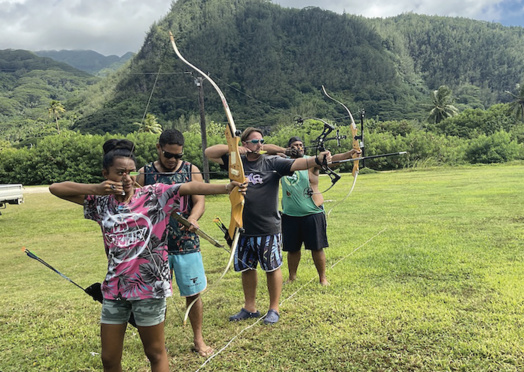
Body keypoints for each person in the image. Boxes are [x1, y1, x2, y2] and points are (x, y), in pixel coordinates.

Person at [49, 139, 246, 372]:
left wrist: (227, 187)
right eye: (119, 172)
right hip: (114, 288)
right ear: (105, 173)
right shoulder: (100, 202)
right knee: (109, 358)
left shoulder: (153, 195)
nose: (126, 177)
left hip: (149, 287)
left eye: (130, 172)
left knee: (155, 352)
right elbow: (56, 188)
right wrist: (97, 188)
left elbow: (188, 187)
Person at [205, 128, 332, 325]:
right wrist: (238, 150)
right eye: (254, 141)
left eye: (261, 141)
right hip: (242, 226)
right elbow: (209, 153)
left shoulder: (273, 163)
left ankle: (274, 308)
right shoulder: (235, 164)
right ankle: (250, 307)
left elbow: (301, 163)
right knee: (247, 268)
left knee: (272, 268)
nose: (259, 145)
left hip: (268, 226)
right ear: (245, 143)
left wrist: (318, 159)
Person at [135, 129, 213, 357]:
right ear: (159, 148)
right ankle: (158, 343)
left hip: (186, 241)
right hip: (154, 246)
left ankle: (198, 340)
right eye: (169, 155)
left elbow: (200, 201)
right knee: (156, 295)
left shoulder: (191, 170)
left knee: (194, 292)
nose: (173, 161)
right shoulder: (145, 173)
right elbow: (135, 205)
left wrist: (193, 218)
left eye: (178, 156)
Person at [267, 137, 359, 286]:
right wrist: (283, 152)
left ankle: (322, 278)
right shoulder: (282, 163)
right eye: (295, 145)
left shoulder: (310, 162)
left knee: (317, 248)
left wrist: (350, 153)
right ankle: (292, 277)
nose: (299, 147)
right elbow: (265, 150)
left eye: (301, 145)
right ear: (289, 148)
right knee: (292, 249)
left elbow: (332, 160)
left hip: (312, 212)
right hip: (290, 214)